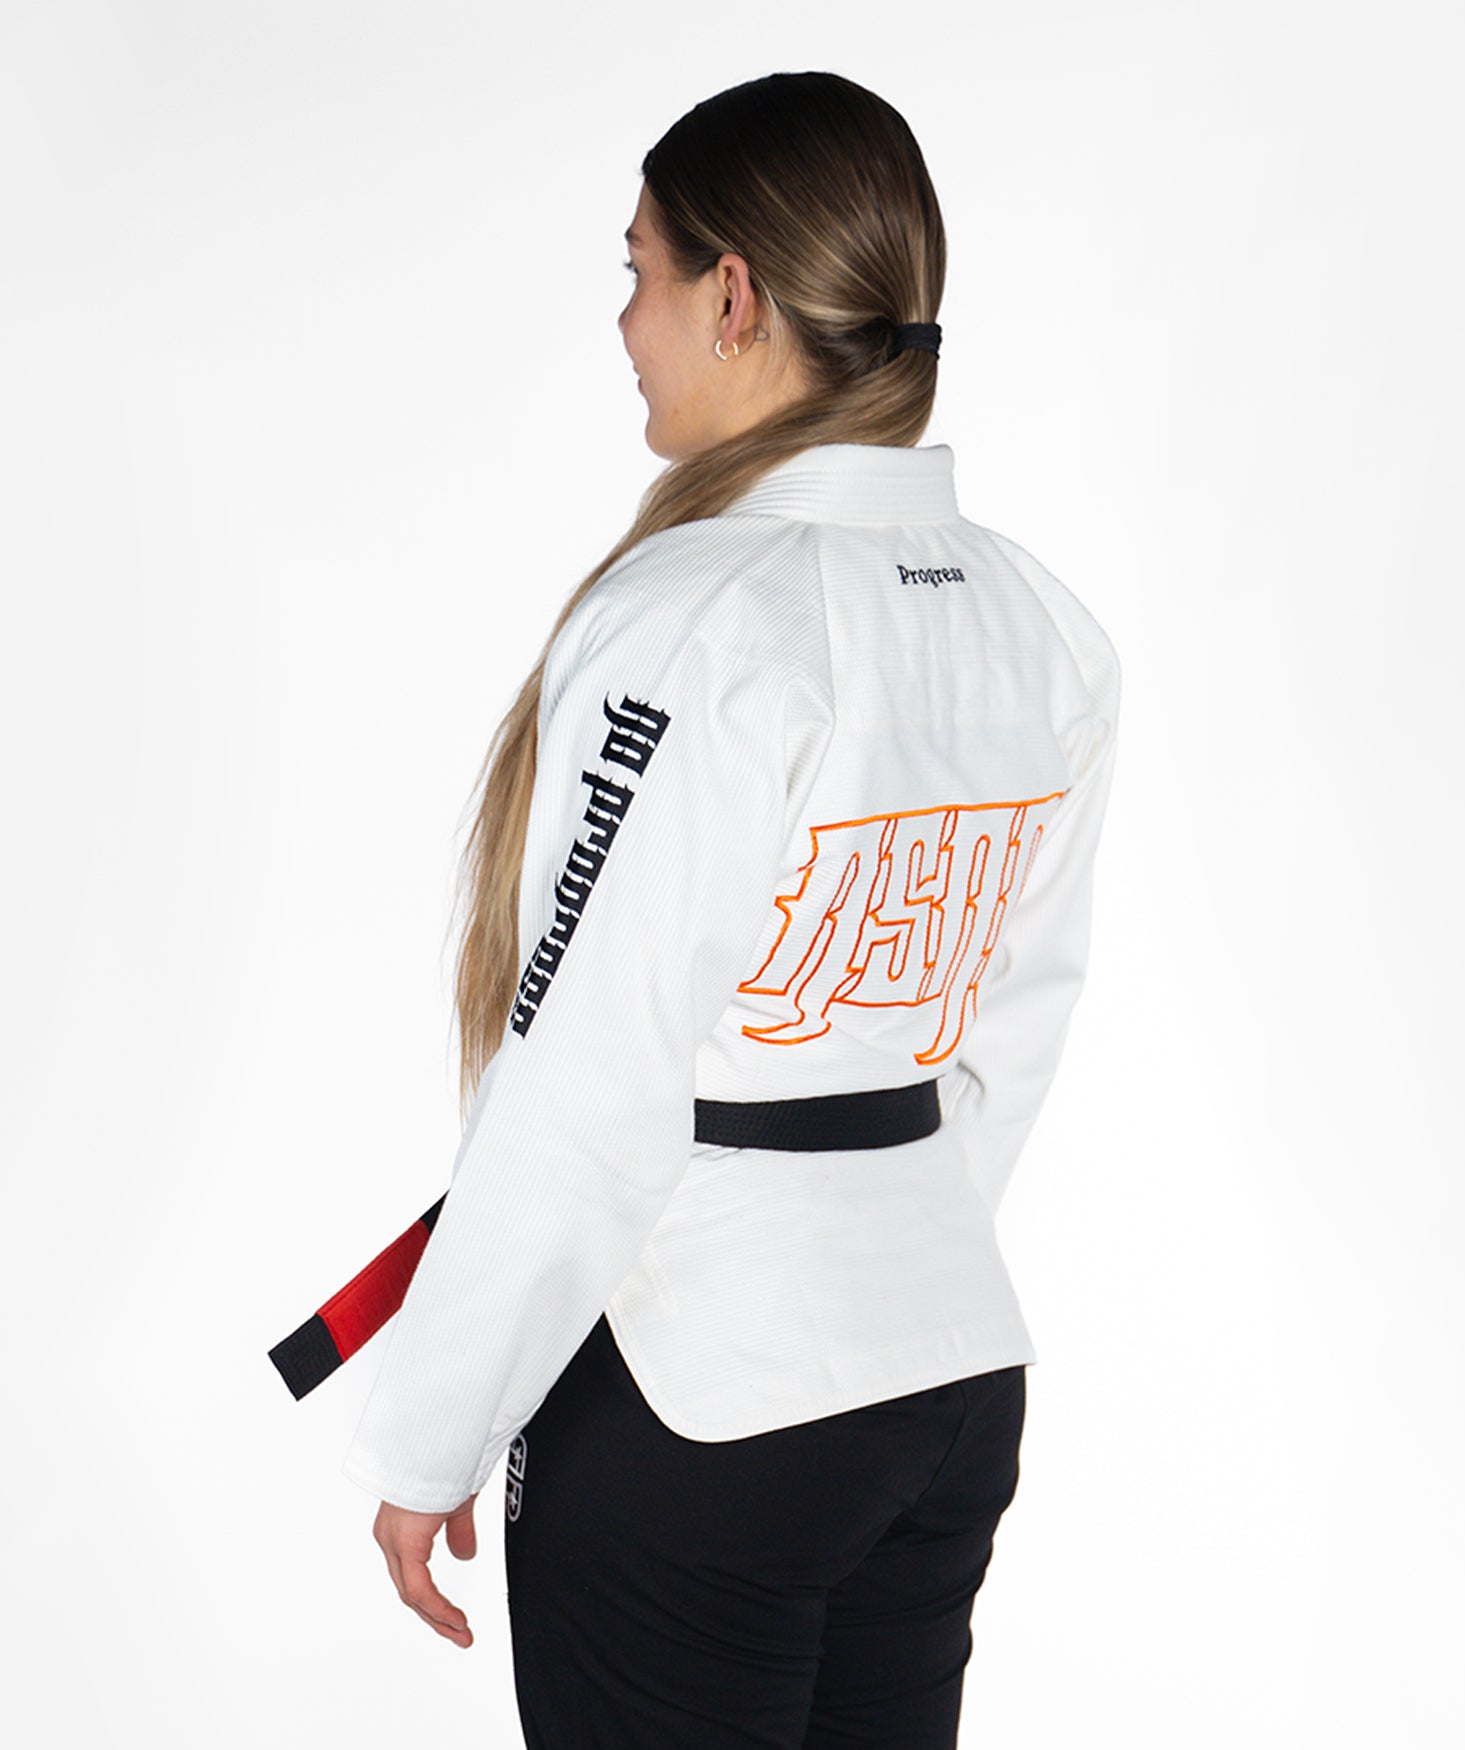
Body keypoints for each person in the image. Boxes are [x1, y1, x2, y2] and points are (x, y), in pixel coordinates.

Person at [341, 69, 1121, 1748]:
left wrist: (434, 1429)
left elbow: (587, 1062)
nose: (625, 323)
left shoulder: (698, 614)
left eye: (638, 271)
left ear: (735, 296)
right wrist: (881, 1265)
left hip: (703, 1398)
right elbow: (1015, 1027)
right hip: (943, 1369)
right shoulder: (1038, 622)